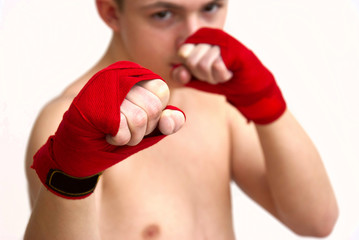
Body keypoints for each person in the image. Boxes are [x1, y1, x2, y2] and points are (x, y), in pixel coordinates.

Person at [24, 0, 339, 239]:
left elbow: (316, 221)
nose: (193, 38)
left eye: (210, 7)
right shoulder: (68, 121)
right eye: (163, 14)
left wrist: (266, 101)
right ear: (111, 13)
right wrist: (72, 175)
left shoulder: (215, 103)